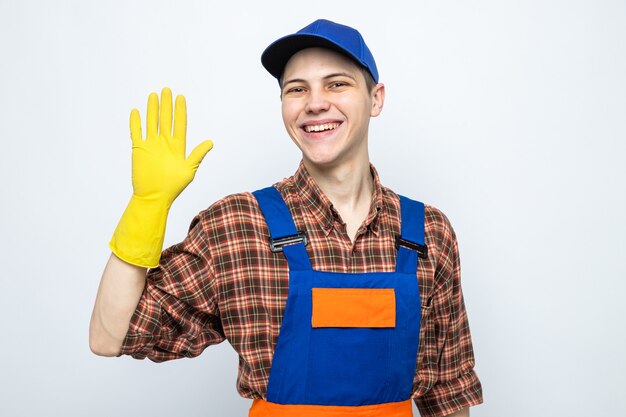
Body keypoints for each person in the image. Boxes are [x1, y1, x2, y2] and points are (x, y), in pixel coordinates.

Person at [90, 19, 483, 417]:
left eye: (337, 84)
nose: (315, 103)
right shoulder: (237, 226)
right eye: (297, 89)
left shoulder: (428, 232)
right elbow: (110, 336)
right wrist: (147, 205)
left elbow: (448, 394)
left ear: (376, 98)